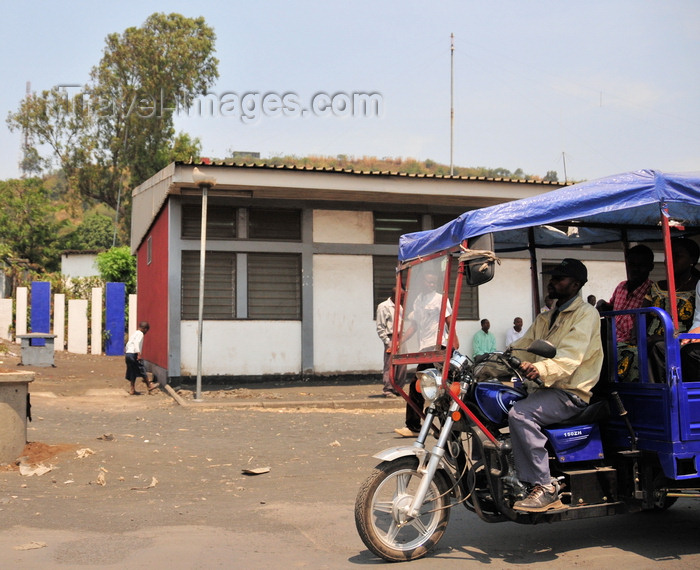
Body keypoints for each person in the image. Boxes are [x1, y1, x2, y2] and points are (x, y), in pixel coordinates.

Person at [508, 258, 603, 512]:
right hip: (544, 388)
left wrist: (539, 368)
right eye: (552, 277)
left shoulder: (586, 314)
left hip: (569, 392)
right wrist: (493, 364)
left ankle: (545, 486)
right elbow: (524, 346)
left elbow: (571, 356)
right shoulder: (546, 317)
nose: (552, 282)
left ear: (576, 284)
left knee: (521, 414)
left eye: (559, 279)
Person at [394, 270, 458, 437]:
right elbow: (414, 326)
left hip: (439, 348)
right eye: (428, 282)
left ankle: (448, 426)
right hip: (425, 350)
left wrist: (454, 341)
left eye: (433, 283)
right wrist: (400, 341)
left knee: (440, 387)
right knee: (418, 386)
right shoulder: (418, 301)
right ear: (422, 282)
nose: (430, 285)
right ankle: (415, 426)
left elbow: (449, 320)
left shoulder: (440, 299)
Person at [644, 237, 700, 382]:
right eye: (668, 255)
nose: (671, 260)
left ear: (692, 260)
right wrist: (691, 336)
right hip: (682, 338)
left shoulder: (695, 285)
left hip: (676, 336)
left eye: (677, 256)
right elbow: (698, 319)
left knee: (685, 352)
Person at [598, 244, 655, 343]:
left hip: (632, 343)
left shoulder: (653, 292)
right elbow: (612, 306)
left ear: (650, 267)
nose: (635, 269)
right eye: (632, 264)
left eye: (641, 265)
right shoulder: (621, 287)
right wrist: (602, 305)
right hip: (611, 340)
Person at [376, 287, 407, 397]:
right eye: (402, 296)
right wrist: (387, 341)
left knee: (403, 364)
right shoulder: (384, 306)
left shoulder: (402, 306)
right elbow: (380, 327)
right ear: (396, 296)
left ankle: (398, 387)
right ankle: (388, 388)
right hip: (391, 337)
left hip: (402, 337)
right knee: (390, 364)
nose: (404, 298)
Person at [125, 321, 158, 395]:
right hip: (134, 354)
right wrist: (138, 354)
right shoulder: (140, 334)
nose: (146, 332)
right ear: (144, 329)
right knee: (141, 369)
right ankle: (149, 385)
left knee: (132, 371)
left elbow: (128, 344)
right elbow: (136, 343)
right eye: (146, 330)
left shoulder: (134, 334)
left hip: (128, 354)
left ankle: (132, 389)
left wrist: (127, 351)